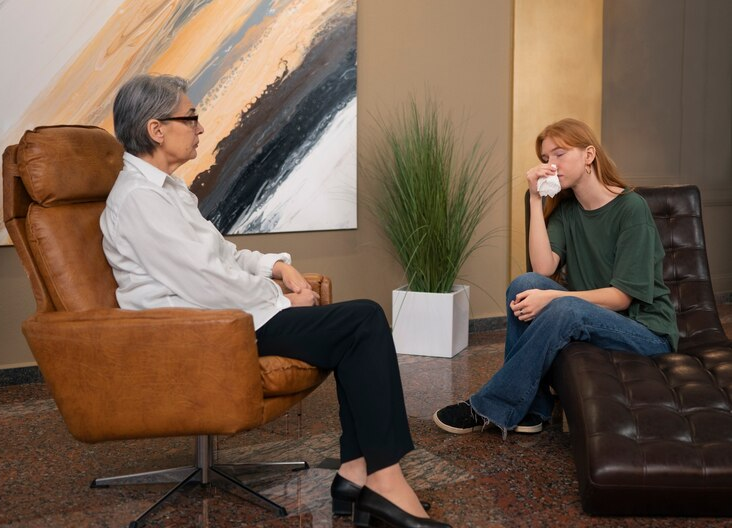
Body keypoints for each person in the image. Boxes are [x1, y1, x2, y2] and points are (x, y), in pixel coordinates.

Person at [100, 74, 450, 528]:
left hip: (220, 318)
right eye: (191, 117)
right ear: (156, 129)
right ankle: (380, 481)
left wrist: (276, 268)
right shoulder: (139, 202)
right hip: (195, 334)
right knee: (362, 321)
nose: (200, 127)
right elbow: (206, 281)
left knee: (358, 326)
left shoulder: (166, 192)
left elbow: (220, 256)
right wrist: (285, 303)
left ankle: (358, 472)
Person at [434, 118, 678, 437]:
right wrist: (536, 199)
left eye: (559, 154)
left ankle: (488, 407)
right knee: (524, 286)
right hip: (592, 316)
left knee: (564, 307)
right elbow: (542, 269)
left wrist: (554, 297)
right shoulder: (567, 209)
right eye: (546, 158)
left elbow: (622, 298)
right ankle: (534, 410)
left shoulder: (631, 209)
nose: (551, 165)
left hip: (646, 332)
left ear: (589, 155)